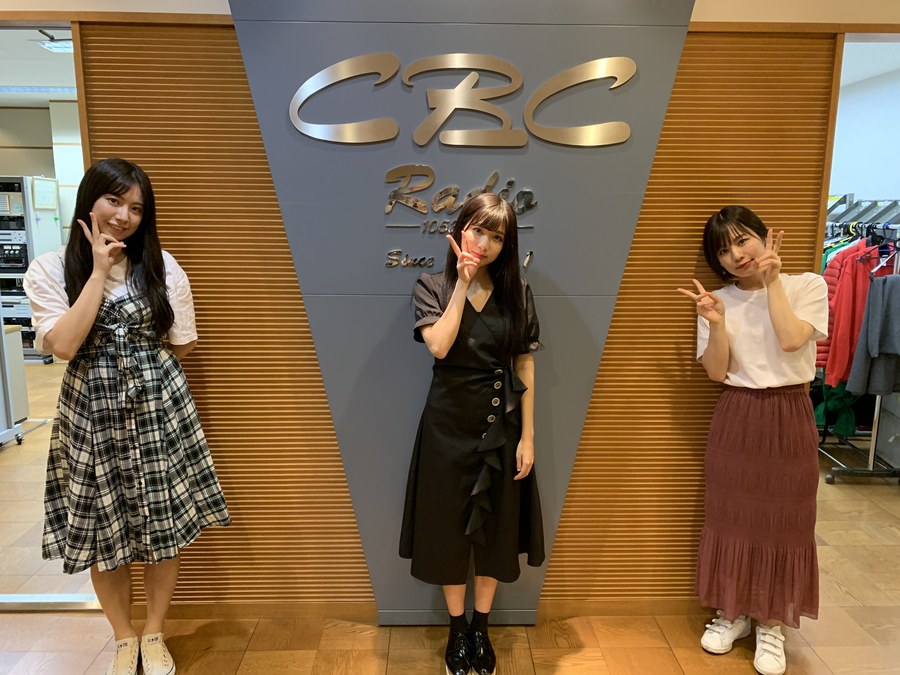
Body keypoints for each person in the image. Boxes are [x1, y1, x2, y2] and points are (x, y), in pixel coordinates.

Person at [23, 158, 231, 675]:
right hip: (90, 414)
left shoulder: (163, 266)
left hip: (159, 409)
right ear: (89, 201)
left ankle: (154, 632)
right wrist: (97, 272)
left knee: (162, 525)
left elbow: (182, 343)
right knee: (103, 530)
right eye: (114, 201)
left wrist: (141, 373)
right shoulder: (49, 269)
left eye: (136, 208)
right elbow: (65, 345)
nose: (123, 216)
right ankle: (123, 637)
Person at [676, 205, 827, 675]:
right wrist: (716, 322)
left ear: (763, 237)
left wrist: (772, 282)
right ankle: (732, 612)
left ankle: (772, 624)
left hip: (789, 412)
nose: (736, 255)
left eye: (743, 241)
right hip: (737, 413)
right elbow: (717, 372)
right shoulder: (716, 300)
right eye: (724, 250)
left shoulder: (807, 285)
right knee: (732, 519)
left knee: (786, 523)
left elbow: (791, 340)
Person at [400, 193, 545, 675]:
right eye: (478, 230)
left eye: (496, 236)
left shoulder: (516, 291)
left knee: (495, 531)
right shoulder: (431, 285)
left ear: (507, 244)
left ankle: (481, 628)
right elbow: (440, 347)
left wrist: (528, 437)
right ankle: (457, 629)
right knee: (448, 531)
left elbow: (524, 363)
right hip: (446, 427)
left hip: (501, 428)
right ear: (461, 228)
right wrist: (462, 284)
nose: (484, 243)